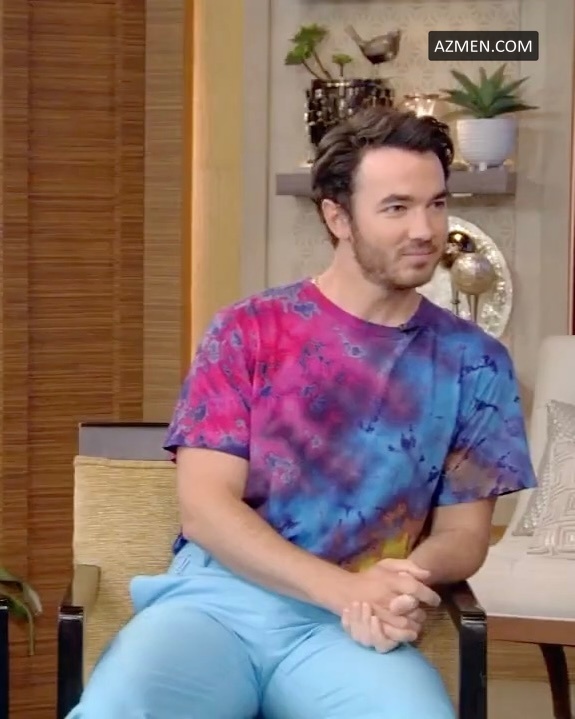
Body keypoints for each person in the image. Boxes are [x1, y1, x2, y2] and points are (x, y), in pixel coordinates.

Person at [67, 107, 537, 719]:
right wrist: (343, 590)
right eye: (396, 208)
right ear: (337, 217)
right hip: (216, 607)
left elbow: (464, 536)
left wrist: (399, 582)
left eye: (437, 204)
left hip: (350, 630)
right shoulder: (248, 331)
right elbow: (206, 509)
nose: (425, 229)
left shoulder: (475, 361)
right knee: (121, 706)